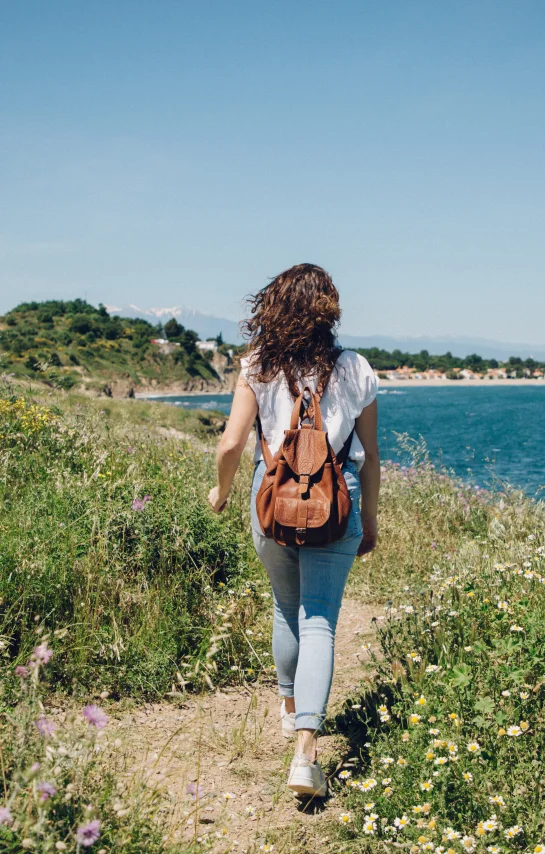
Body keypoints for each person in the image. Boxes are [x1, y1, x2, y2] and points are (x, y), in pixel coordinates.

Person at [208, 263, 380, 797]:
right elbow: (370, 455)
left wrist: (220, 492)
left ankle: (289, 710)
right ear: (329, 309)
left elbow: (231, 444)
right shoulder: (354, 368)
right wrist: (369, 519)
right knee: (320, 622)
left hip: (272, 501)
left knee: (286, 606)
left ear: (275, 306)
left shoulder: (258, 364)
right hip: (337, 501)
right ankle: (306, 753)